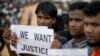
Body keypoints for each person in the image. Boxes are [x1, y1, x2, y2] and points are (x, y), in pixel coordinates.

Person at [3, 1, 67, 56]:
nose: (42, 21)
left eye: (47, 18)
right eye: (39, 17)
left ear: (54, 20)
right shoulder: (27, 37)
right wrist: (8, 44)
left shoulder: (62, 41)